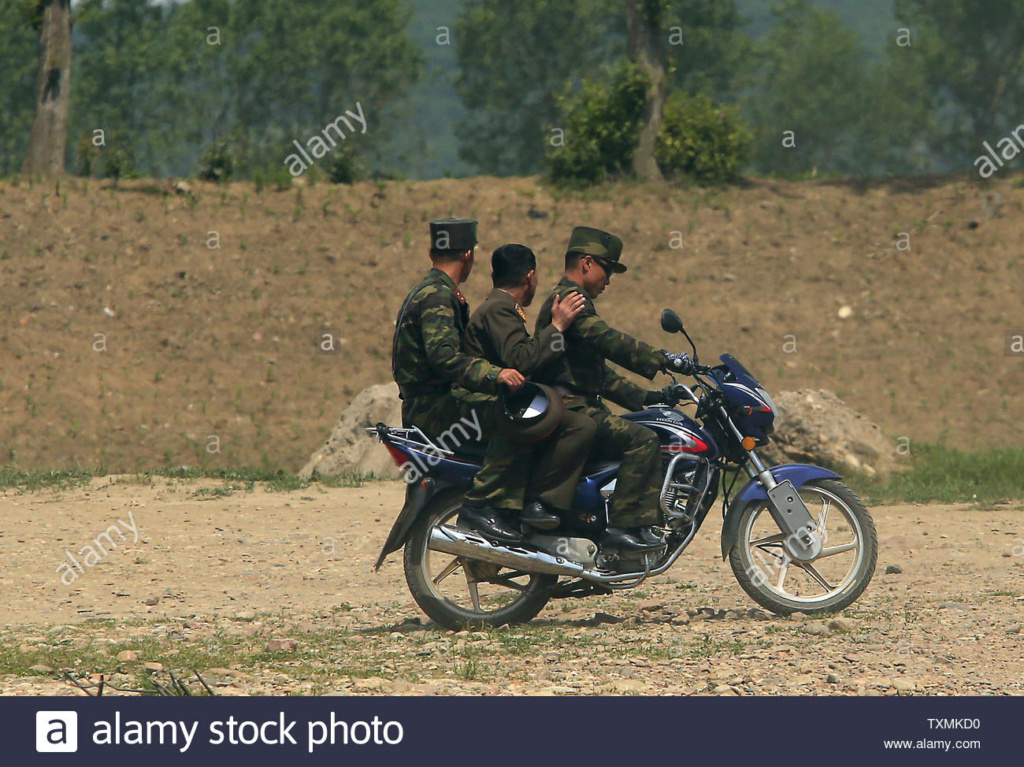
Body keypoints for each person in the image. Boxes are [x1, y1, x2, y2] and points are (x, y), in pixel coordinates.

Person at [535, 226, 679, 552]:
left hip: (576, 403)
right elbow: (608, 340)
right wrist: (664, 359)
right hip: (569, 407)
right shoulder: (571, 300)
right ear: (587, 263)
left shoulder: (570, 299)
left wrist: (650, 398)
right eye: (607, 268)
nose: (609, 279)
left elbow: (599, 375)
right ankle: (624, 529)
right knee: (643, 440)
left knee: (646, 425)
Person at [391, 217, 529, 545]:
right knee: (512, 418)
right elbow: (446, 358)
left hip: (428, 402)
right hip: (434, 406)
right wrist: (498, 375)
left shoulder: (429, 290)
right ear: (468, 255)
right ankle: (482, 508)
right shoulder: (438, 296)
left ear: (431, 252)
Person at [462, 243, 595, 528]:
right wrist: (557, 326)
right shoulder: (499, 309)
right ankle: (538, 503)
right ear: (530, 277)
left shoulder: (502, 307)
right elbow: (521, 359)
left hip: (499, 399)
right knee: (580, 425)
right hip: (488, 403)